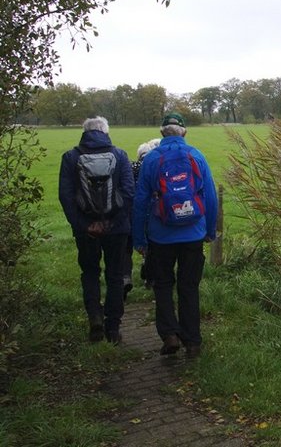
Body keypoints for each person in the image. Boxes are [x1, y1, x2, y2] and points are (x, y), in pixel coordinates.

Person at [133, 113, 218, 358]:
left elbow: (140, 202)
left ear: (161, 134)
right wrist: (209, 231)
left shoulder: (152, 159)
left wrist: (139, 239)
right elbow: (210, 197)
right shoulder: (196, 156)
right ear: (184, 133)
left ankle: (170, 334)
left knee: (163, 285)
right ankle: (192, 342)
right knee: (189, 287)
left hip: (161, 236)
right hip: (193, 233)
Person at [58, 116, 134, 344]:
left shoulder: (71, 157)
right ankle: (113, 328)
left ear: (85, 132)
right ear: (105, 131)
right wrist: (112, 223)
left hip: (86, 230)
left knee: (90, 273)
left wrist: (84, 225)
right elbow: (129, 193)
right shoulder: (120, 156)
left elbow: (66, 197)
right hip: (117, 228)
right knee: (115, 276)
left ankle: (95, 319)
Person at [125, 138, 161, 291]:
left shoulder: (132, 166)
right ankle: (151, 277)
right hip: (155, 212)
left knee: (129, 245)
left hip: (134, 211)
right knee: (153, 243)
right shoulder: (157, 166)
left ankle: (125, 276)